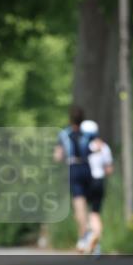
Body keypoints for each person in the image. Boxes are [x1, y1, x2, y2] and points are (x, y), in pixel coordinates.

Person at [54, 105, 96, 252]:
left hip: (73, 168)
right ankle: (87, 232)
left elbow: (58, 156)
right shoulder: (89, 133)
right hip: (87, 167)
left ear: (70, 119)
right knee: (89, 203)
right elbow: (98, 148)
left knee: (79, 205)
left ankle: (84, 237)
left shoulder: (64, 134)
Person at [81, 120, 114, 257]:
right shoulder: (104, 146)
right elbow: (109, 169)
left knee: (86, 212)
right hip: (99, 182)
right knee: (96, 213)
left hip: (87, 181)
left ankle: (88, 238)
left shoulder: (83, 146)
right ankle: (97, 244)